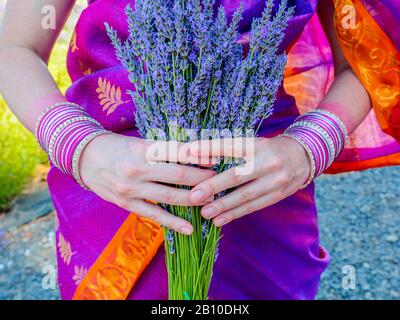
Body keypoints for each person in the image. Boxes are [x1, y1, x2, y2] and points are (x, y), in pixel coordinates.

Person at [0, 0, 399, 300]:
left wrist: (306, 149)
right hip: (110, 183)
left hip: (259, 189)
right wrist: (82, 149)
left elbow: (366, 57)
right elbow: (16, 47)